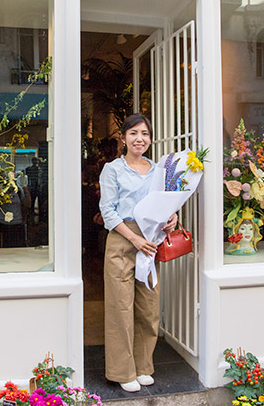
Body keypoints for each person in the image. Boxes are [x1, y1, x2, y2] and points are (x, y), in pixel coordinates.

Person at [98, 113, 176, 393]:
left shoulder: (158, 170)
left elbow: (164, 204)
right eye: (133, 133)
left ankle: (143, 366)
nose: (139, 138)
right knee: (121, 308)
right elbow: (107, 211)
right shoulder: (112, 170)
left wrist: (172, 217)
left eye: (144, 133)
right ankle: (122, 371)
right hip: (122, 239)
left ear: (150, 139)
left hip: (150, 242)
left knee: (149, 307)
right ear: (123, 138)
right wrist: (134, 238)